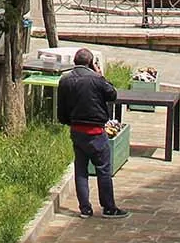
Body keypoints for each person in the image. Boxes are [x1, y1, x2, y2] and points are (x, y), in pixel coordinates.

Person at [55, 48, 129, 219]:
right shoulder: (97, 80)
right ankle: (108, 207)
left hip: (77, 131)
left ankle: (85, 209)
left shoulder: (65, 80)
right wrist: (101, 75)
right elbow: (112, 95)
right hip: (95, 131)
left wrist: (70, 123)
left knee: (81, 169)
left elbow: (62, 110)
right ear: (91, 63)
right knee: (103, 169)